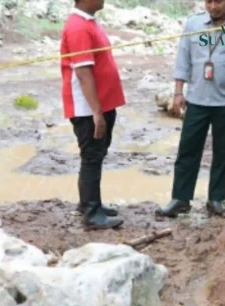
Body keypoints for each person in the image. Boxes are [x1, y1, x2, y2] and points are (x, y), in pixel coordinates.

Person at [157, 0, 225, 218]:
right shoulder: (193, 24)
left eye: (218, 2)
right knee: (187, 150)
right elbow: (183, 59)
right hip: (197, 100)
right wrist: (178, 93)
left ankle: (216, 198)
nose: (213, 7)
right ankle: (180, 199)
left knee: (223, 152)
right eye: (208, 1)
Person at [61, 0, 126, 229]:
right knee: (91, 156)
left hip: (101, 104)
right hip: (87, 108)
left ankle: (90, 203)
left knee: (96, 155)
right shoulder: (78, 27)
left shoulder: (88, 22)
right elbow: (83, 74)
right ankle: (91, 213)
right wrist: (96, 112)